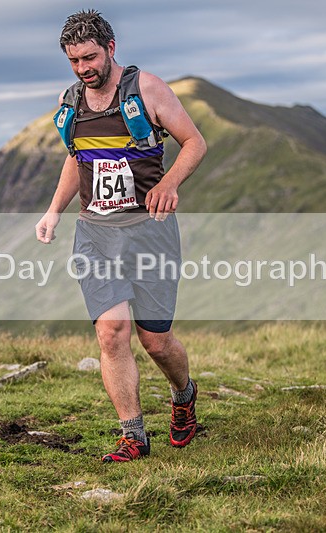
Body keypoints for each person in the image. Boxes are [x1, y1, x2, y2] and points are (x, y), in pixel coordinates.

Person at [35, 10, 207, 462]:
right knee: (112, 333)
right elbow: (77, 158)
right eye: (73, 61)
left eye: (89, 57)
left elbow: (195, 142)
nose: (82, 68)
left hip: (149, 233)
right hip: (94, 233)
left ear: (111, 49)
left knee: (156, 342)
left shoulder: (146, 89)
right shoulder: (70, 100)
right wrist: (54, 210)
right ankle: (133, 435)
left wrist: (168, 184)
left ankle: (183, 396)